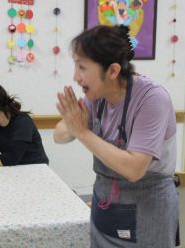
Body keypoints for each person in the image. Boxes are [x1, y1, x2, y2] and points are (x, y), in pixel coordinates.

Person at [54, 25, 178, 247]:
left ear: (112, 71)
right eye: (76, 65)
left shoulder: (152, 99)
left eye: (82, 67)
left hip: (148, 209)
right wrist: (73, 125)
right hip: (106, 205)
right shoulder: (96, 96)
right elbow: (59, 135)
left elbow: (134, 169)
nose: (75, 76)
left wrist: (82, 131)